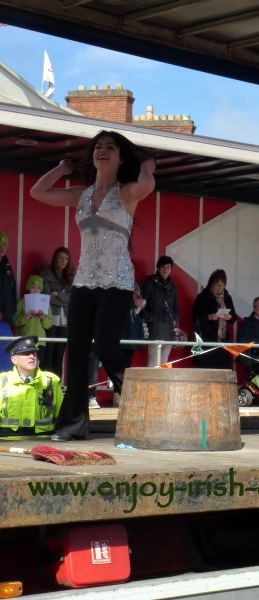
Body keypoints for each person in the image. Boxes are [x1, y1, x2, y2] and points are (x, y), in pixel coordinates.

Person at [30, 130, 156, 441]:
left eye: (110, 147)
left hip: (117, 282)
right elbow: (37, 192)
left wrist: (142, 163)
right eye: (98, 147)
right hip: (84, 281)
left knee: (105, 344)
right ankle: (73, 425)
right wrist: (62, 168)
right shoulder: (81, 195)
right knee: (76, 351)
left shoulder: (126, 192)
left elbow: (148, 184)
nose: (102, 151)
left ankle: (139, 398)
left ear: (119, 156)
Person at [0, 336, 63, 436]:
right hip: (7, 438)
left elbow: (60, 415)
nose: (31, 356)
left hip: (43, 438)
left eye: (33, 353)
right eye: (25, 353)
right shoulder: (2, 381)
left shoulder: (51, 381)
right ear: (14, 359)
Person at [39, 247, 74, 378]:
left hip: (65, 322)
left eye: (66, 259)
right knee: (48, 355)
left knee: (59, 357)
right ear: (55, 259)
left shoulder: (71, 276)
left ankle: (56, 388)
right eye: (60, 258)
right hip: (50, 319)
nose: (63, 261)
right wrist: (62, 296)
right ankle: (45, 389)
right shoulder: (46, 273)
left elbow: (72, 298)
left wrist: (58, 294)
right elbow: (46, 296)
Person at [191, 269, 237, 369]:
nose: (220, 288)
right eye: (217, 284)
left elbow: (234, 318)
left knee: (221, 370)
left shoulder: (227, 298)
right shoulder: (202, 297)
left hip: (222, 341)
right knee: (206, 370)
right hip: (206, 340)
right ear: (211, 284)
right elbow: (194, 317)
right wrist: (209, 317)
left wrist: (230, 317)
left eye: (222, 285)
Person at [142, 255, 180, 367]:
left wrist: (176, 324)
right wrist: (150, 318)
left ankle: (161, 384)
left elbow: (176, 307)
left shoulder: (173, 286)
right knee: (153, 361)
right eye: (163, 267)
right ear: (158, 268)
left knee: (164, 361)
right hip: (154, 327)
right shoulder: (150, 283)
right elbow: (143, 304)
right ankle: (149, 384)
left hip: (169, 328)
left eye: (168, 267)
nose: (165, 270)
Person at [13, 275, 53, 366]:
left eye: (39, 288)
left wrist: (43, 318)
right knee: (25, 364)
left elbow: (49, 325)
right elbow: (15, 321)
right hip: (25, 339)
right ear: (28, 288)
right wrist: (26, 317)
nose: (36, 290)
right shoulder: (21, 302)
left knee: (38, 365)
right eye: (33, 287)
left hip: (40, 341)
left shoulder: (46, 304)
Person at [0, 231, 17, 327]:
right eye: (0, 244)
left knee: (5, 342)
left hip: (7, 315)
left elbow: (12, 289)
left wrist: (12, 310)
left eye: (5, 245)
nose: (2, 247)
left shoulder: (7, 265)